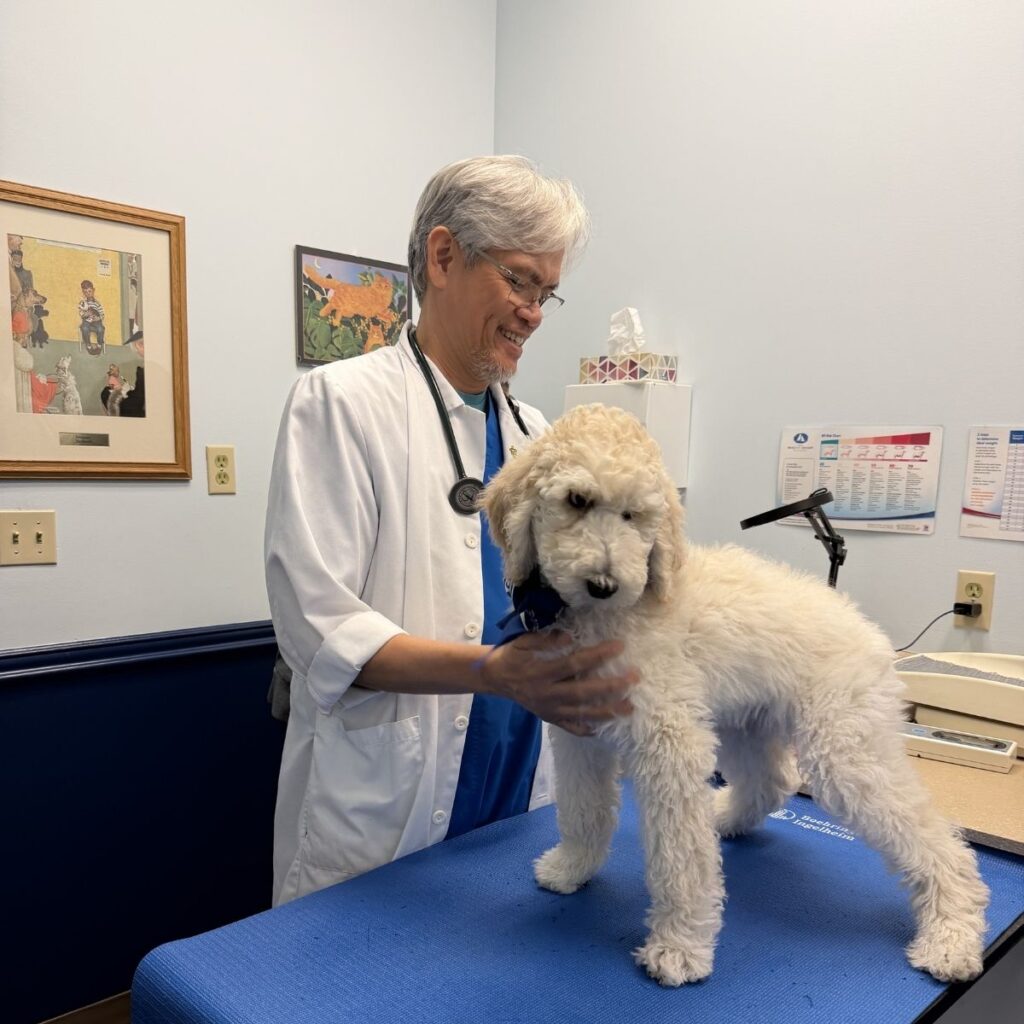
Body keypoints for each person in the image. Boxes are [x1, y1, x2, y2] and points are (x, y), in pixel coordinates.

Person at [265, 155, 636, 906]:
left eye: (547, 292)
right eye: (521, 280)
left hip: (520, 795)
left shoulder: (539, 438)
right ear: (443, 257)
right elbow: (319, 628)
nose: (535, 311)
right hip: (386, 811)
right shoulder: (340, 405)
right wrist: (488, 672)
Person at [78, 279, 105, 352]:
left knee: (101, 329)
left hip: (96, 321)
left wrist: (98, 318)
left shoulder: (97, 303)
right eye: (85, 292)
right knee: (84, 328)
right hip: (86, 321)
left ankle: (99, 345)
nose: (88, 293)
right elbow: (81, 314)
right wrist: (85, 314)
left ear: (93, 290)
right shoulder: (82, 303)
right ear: (83, 292)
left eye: (89, 291)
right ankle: (88, 345)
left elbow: (102, 314)